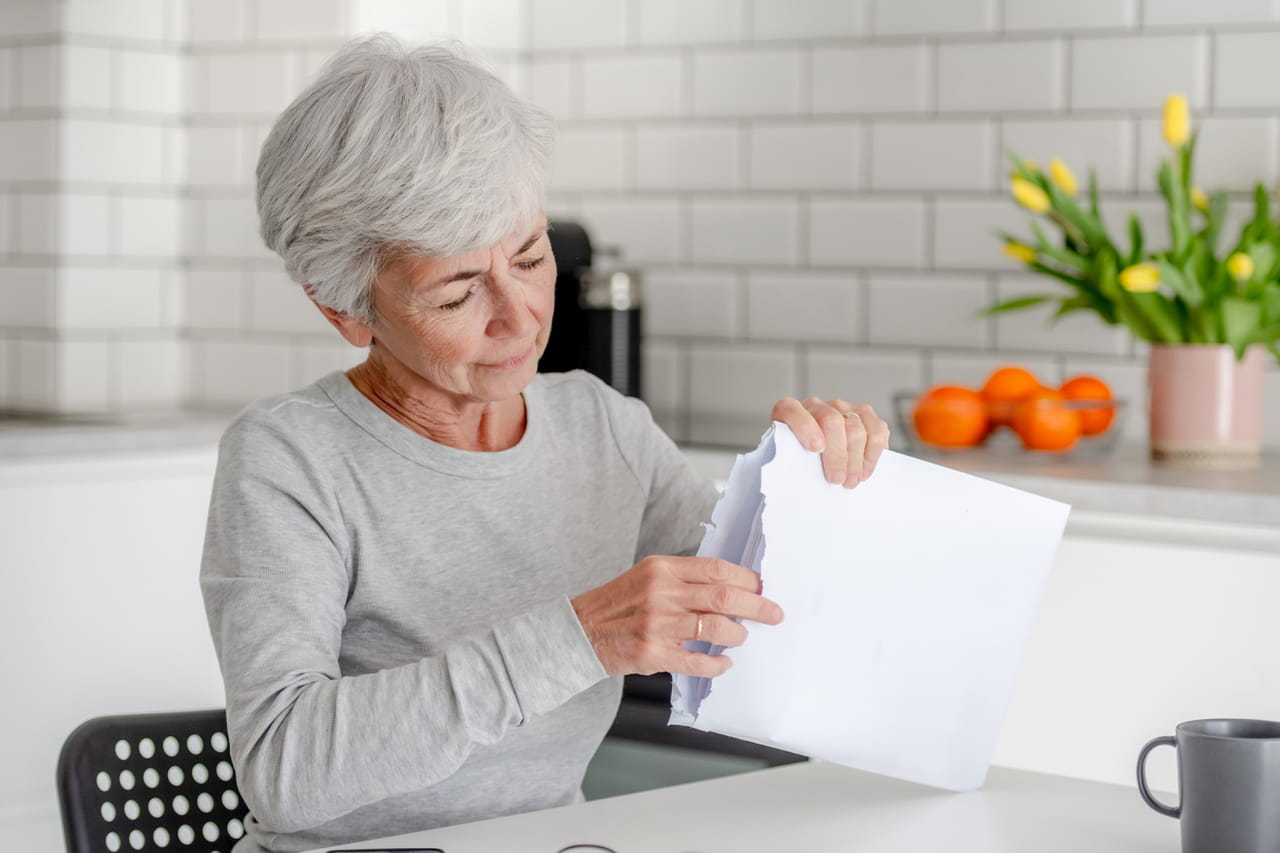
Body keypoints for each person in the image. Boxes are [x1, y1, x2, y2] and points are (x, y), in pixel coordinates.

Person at [200, 34, 890, 853]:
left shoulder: (603, 429)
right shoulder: (288, 460)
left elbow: (767, 618)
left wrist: (813, 492)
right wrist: (582, 636)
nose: (521, 316)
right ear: (345, 310)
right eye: (459, 291)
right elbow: (284, 771)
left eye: (530, 257)